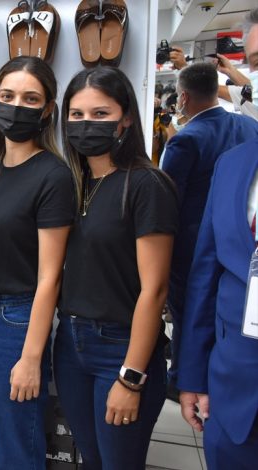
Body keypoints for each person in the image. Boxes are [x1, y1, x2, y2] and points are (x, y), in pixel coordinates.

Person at [0, 56, 75, 469]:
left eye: (30, 98)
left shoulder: (53, 176)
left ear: (48, 108)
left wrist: (32, 357)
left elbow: (50, 276)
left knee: (15, 444)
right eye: (8, 95)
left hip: (14, 321)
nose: (16, 105)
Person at [54, 66, 178, 470]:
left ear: (125, 118)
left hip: (121, 347)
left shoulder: (146, 185)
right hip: (70, 344)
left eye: (100, 114)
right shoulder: (74, 182)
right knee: (91, 459)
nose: (86, 124)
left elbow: (155, 290)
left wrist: (131, 376)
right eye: (77, 115)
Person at [177, 9, 258, 468]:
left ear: (184, 98)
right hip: (234, 397)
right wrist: (192, 373)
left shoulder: (186, 140)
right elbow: (208, 275)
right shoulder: (237, 156)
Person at [160, 62, 258, 394]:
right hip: (239, 243)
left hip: (191, 247)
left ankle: (182, 377)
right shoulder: (248, 126)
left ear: (183, 97)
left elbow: (169, 201)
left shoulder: (186, 140)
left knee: (188, 312)